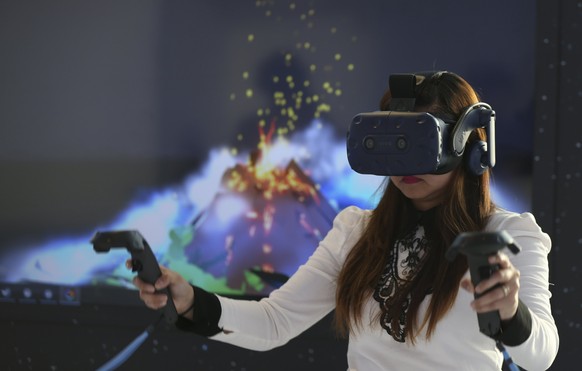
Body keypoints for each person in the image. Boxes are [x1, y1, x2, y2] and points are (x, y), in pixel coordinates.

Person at [131, 71, 559, 370]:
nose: (405, 164)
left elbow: (540, 356)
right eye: (393, 144)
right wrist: (189, 300)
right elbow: (274, 323)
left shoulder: (507, 235)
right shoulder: (357, 231)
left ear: (467, 144)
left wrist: (509, 310)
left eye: (420, 143)